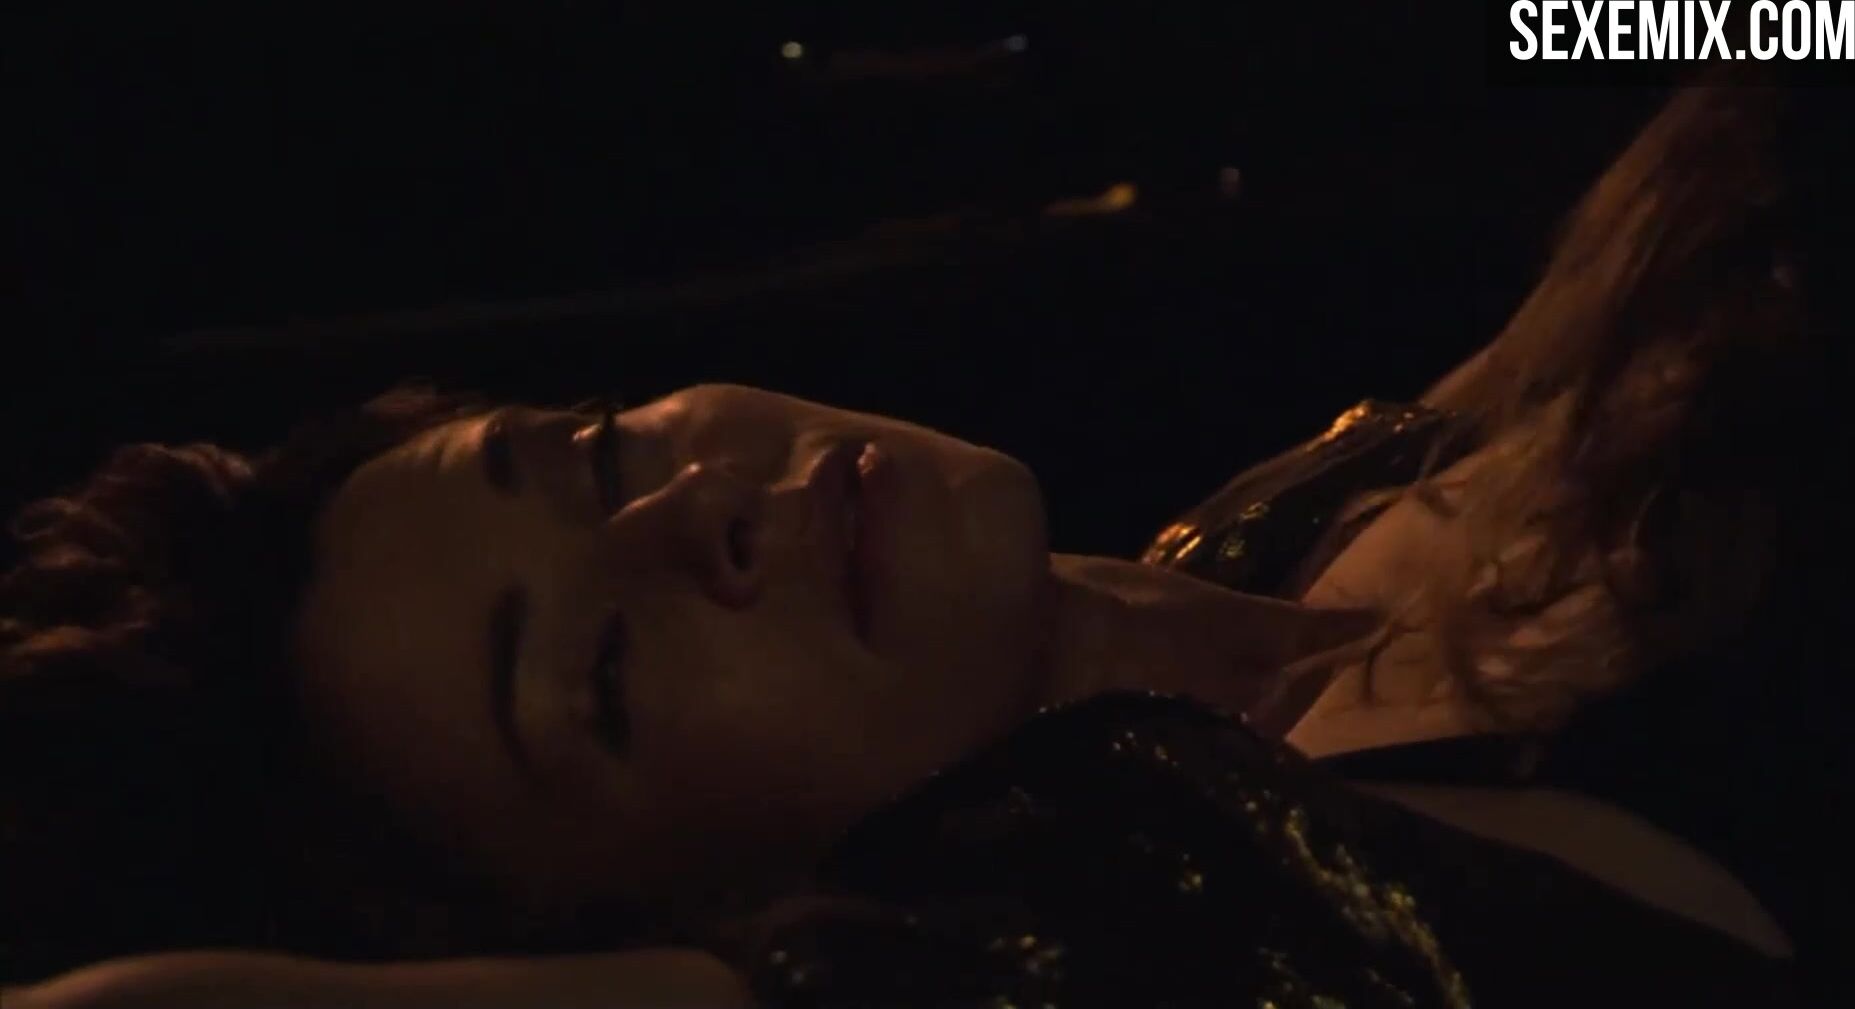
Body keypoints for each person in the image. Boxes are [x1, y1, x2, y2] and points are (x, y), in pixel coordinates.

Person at [2, 82, 1838, 1007]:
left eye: (594, 455)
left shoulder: (1271, 529)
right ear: (679, 922)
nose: (691, 514)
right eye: (605, 672)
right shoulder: (1153, 918)